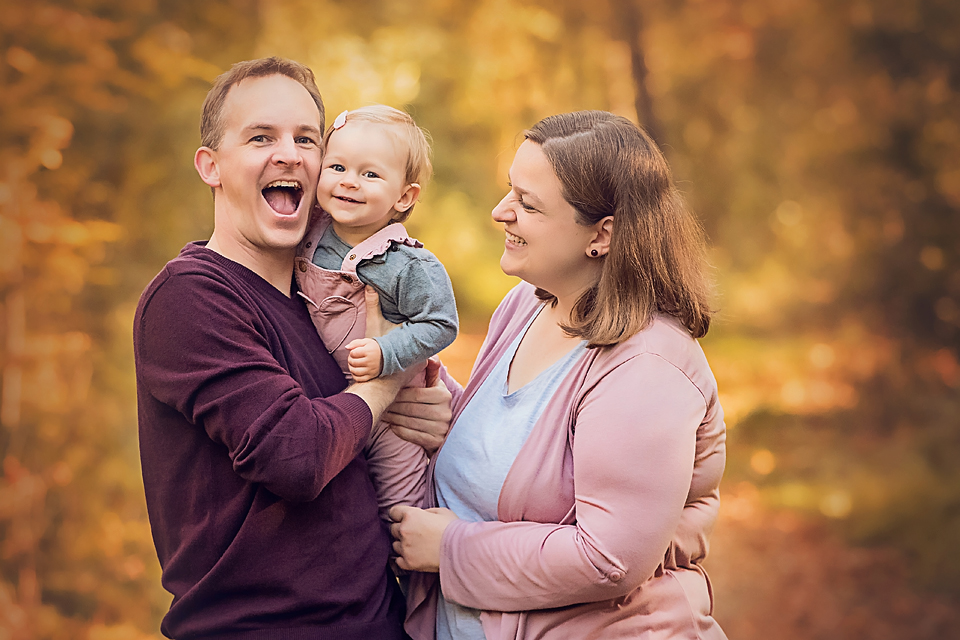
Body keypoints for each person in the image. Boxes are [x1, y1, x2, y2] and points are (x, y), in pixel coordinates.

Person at [133, 56, 450, 640]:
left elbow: (369, 419)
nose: (290, 154)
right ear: (211, 166)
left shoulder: (326, 295)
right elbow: (297, 456)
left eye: (307, 138)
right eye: (261, 137)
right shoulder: (191, 297)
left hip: (381, 619)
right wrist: (380, 384)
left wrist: (422, 406)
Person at [389, 111, 728, 639]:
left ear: (602, 234)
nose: (502, 212)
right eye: (510, 192)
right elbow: (524, 441)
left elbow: (608, 557)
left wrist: (450, 549)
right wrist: (445, 408)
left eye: (529, 204)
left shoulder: (647, 368)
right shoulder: (527, 305)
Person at [294, 105, 458, 519]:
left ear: (404, 196)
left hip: (395, 408)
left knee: (402, 511)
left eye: (370, 174)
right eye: (337, 167)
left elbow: (441, 322)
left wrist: (388, 352)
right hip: (332, 401)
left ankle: (426, 578)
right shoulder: (308, 232)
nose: (349, 182)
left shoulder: (407, 263)